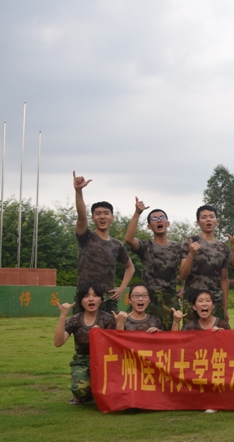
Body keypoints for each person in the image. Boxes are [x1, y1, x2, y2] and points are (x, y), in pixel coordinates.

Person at [72, 172, 134, 314]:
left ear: (112, 217)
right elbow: (81, 216)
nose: (102, 216)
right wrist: (78, 190)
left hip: (107, 298)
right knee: (83, 334)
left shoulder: (117, 245)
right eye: (98, 213)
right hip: (85, 296)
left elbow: (130, 268)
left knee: (110, 335)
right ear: (93, 218)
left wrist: (122, 288)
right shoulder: (86, 238)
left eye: (106, 213)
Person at [124, 197, 183, 331]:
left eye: (162, 218)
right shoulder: (146, 246)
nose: (159, 220)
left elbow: (189, 268)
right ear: (149, 226)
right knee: (147, 335)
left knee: (170, 336)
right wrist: (137, 213)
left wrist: (184, 288)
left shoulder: (177, 247)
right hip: (148, 299)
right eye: (154, 219)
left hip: (170, 298)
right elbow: (128, 238)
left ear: (168, 223)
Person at [54, 282, 117, 405]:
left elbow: (114, 346)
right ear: (81, 301)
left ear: (101, 299)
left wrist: (101, 335)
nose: (91, 299)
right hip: (82, 361)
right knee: (81, 391)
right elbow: (58, 342)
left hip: (104, 362)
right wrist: (63, 316)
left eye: (95, 295)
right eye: (86, 296)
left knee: (111, 391)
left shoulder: (108, 319)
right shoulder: (75, 320)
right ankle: (84, 395)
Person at [179, 205, 231, 322]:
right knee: (192, 337)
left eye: (211, 217)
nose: (208, 219)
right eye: (204, 217)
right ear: (198, 222)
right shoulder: (190, 242)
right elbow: (182, 275)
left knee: (216, 337)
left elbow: (224, 279)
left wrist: (225, 307)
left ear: (216, 220)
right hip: (192, 300)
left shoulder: (223, 248)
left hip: (215, 301)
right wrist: (191, 254)